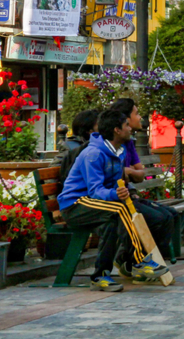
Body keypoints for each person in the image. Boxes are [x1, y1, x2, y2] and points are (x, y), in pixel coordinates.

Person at [57, 110, 170, 291]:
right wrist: (115, 194)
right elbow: (95, 191)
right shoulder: (94, 154)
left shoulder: (119, 151)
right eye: (126, 125)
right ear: (117, 130)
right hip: (75, 205)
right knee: (119, 210)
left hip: (95, 204)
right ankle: (139, 261)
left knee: (111, 224)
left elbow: (113, 183)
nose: (130, 129)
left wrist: (124, 192)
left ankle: (100, 276)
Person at [108, 97, 175, 273]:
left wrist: (128, 172)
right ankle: (134, 262)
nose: (141, 118)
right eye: (137, 114)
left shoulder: (128, 143)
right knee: (157, 218)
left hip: (128, 195)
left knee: (170, 215)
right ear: (125, 120)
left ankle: (142, 261)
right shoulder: (110, 145)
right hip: (114, 199)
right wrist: (128, 173)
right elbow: (115, 174)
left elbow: (140, 174)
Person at [57, 110, 101, 189]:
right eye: (99, 125)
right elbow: (54, 168)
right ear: (89, 131)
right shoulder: (70, 146)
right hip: (77, 192)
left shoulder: (99, 145)